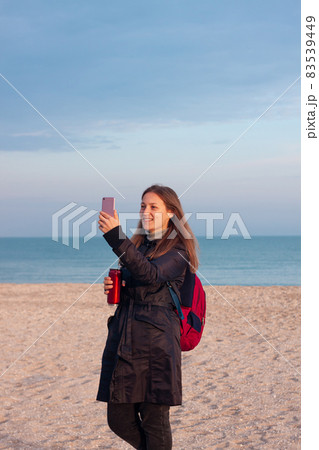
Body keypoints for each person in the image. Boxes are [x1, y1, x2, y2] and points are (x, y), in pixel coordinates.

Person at [96, 184, 199, 449]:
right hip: (125, 340)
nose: (146, 211)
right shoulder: (139, 246)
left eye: (154, 206)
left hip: (156, 345)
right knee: (118, 418)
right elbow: (139, 276)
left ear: (171, 213)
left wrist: (115, 237)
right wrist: (118, 287)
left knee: (154, 420)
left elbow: (151, 275)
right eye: (143, 205)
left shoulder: (179, 251)